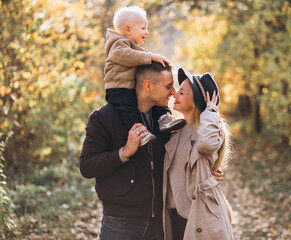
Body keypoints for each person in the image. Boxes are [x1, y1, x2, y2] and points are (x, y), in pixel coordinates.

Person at [80, 62, 224, 240]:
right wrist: (124, 152)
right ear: (148, 86)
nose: (173, 93)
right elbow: (86, 166)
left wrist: (206, 175)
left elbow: (182, 159)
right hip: (120, 222)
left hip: (160, 223)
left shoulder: (165, 122)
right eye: (168, 86)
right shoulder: (103, 118)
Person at [162, 68, 234, 240]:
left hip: (199, 218)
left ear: (196, 100)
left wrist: (210, 109)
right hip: (174, 217)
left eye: (181, 92)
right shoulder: (174, 130)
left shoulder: (209, 132)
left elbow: (207, 144)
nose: (175, 95)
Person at [104, 6, 185, 146]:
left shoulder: (131, 45)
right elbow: (125, 56)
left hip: (129, 87)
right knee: (130, 111)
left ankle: (164, 119)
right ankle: (140, 133)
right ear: (128, 30)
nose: (146, 32)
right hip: (118, 89)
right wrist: (150, 56)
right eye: (143, 28)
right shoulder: (117, 44)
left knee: (156, 98)